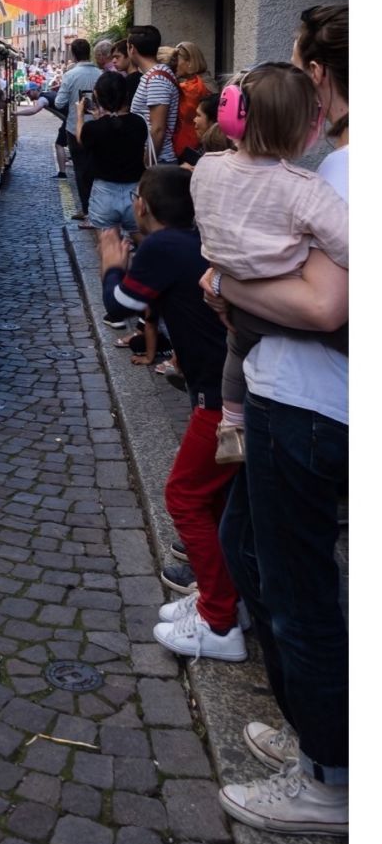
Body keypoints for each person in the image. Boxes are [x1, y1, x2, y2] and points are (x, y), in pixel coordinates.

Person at [211, 5, 349, 838]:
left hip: (304, 401)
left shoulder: (332, 175)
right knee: (263, 560)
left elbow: (328, 301)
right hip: (293, 393)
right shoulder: (316, 174)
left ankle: (329, 776)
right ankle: (317, 739)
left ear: (319, 84)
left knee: (298, 595)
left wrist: (226, 286)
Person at [97, 167, 247, 662]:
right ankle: (222, 601)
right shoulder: (190, 240)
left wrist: (110, 264)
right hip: (226, 385)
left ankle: (220, 622)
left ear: (143, 206)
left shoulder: (163, 247)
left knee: (184, 496)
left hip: (220, 396)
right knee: (220, 502)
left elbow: (118, 308)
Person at [191, 61, 347, 463]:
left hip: (235, 299)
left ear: (232, 113)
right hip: (281, 303)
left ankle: (230, 424)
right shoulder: (306, 190)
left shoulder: (205, 167)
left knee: (238, 348)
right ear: (306, 130)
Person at [80, 71, 147, 236]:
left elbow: (82, 138)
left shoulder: (94, 128)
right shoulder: (139, 123)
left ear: (98, 98)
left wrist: (80, 115)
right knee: (139, 239)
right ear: (126, 95)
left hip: (105, 192)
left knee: (109, 245)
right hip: (134, 190)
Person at [56, 39, 102, 224]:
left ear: (73, 54)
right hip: (99, 126)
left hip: (76, 128)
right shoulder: (101, 73)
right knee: (97, 169)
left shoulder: (70, 75)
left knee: (81, 170)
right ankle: (97, 209)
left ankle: (87, 210)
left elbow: (59, 102)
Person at [127, 25, 180, 164]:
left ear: (132, 49)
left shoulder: (156, 79)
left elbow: (158, 129)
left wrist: (147, 164)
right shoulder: (154, 75)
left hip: (159, 161)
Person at [169, 41, 213, 158]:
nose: (173, 64)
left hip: (193, 146)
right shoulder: (205, 82)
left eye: (176, 60)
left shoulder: (195, 87)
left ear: (189, 62)